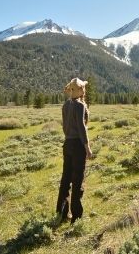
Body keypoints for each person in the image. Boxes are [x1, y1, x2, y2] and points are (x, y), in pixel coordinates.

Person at [57, 77, 93, 224]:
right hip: (78, 146)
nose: (84, 90)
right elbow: (81, 128)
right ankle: (76, 217)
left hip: (67, 144)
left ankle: (62, 213)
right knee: (77, 180)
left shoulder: (65, 105)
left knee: (66, 179)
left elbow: (66, 127)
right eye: (82, 88)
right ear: (77, 90)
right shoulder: (80, 106)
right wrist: (88, 148)